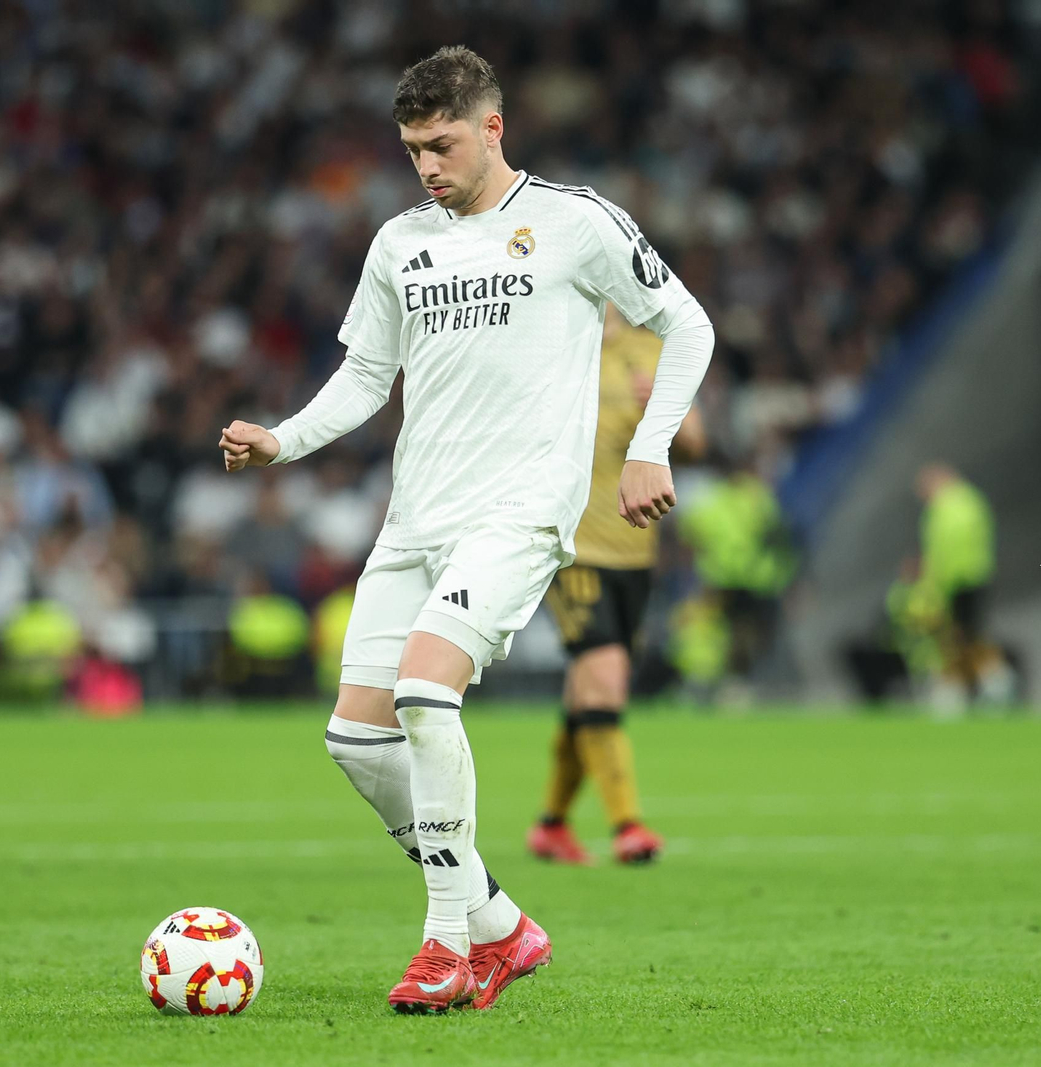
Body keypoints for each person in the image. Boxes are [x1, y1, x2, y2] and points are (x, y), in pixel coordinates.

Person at [218, 46, 713, 1013]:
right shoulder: (400, 242)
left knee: (421, 691)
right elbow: (367, 378)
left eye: (441, 144)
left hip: (519, 513)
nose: (427, 167)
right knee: (356, 740)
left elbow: (684, 322)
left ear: (492, 127)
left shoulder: (573, 221)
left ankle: (446, 943)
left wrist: (650, 448)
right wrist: (283, 439)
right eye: (411, 150)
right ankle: (496, 921)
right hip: (416, 520)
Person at [531, 307, 704, 865]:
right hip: (574, 547)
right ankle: (627, 826)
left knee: (589, 691)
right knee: (605, 680)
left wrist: (662, 410)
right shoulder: (553, 344)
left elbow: (697, 441)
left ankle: (552, 824)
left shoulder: (651, 349)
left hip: (637, 546)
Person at [677, 462, 794, 701]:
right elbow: (776, 536)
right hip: (754, 578)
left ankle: (726, 682)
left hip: (725, 578)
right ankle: (736, 683)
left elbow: (690, 536)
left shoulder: (713, 500)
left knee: (730, 633)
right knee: (747, 633)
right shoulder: (758, 497)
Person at [914, 464, 1005, 706]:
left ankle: (987, 685)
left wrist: (933, 583)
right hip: (967, 577)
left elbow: (944, 549)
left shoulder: (949, 505)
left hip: (961, 580)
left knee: (963, 635)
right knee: (964, 636)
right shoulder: (969, 501)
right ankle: (978, 687)